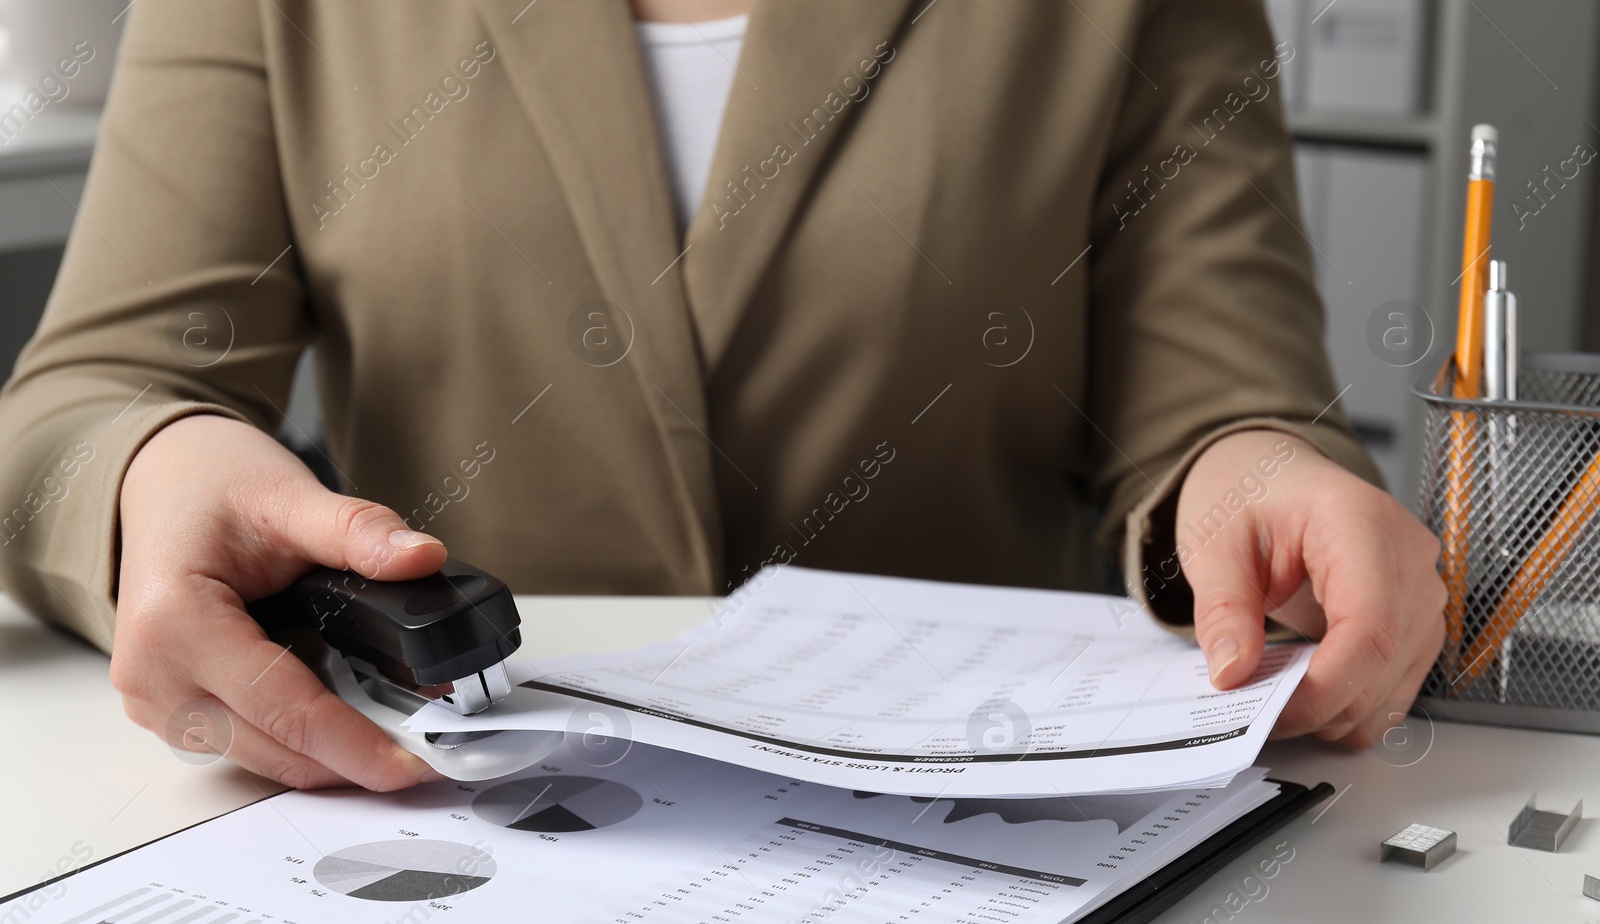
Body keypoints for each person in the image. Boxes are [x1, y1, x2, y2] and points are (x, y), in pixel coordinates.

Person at [0, 0, 1445, 791]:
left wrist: (1261, 477)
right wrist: (153, 473)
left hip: (995, 826)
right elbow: (86, 401)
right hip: (455, 818)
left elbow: (1222, 402)